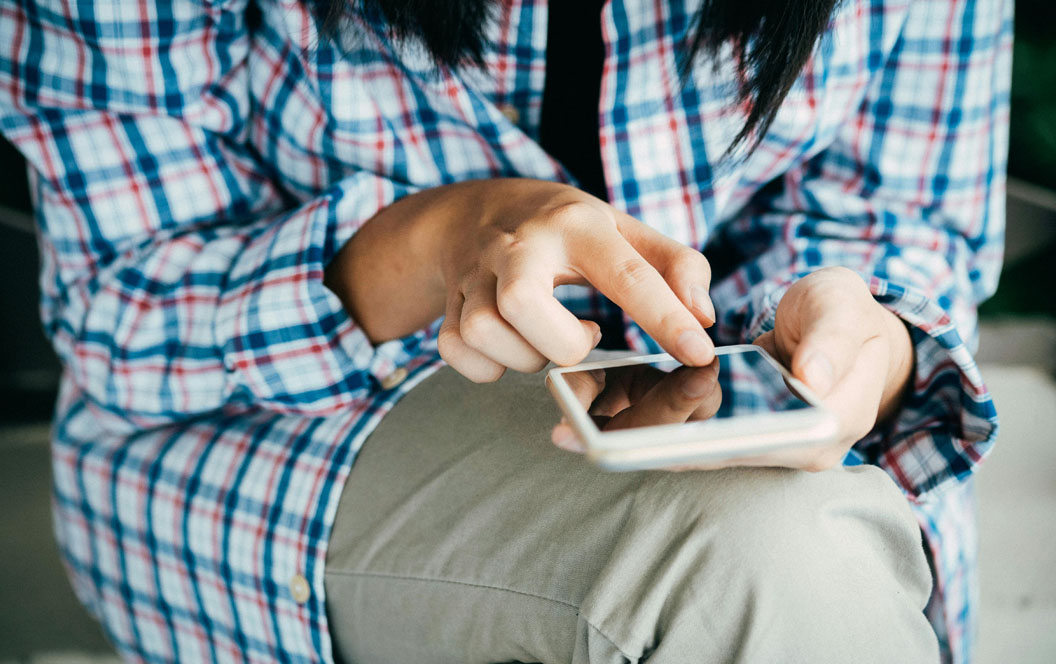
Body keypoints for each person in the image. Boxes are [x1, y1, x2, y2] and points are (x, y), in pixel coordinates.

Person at [0, 0, 1009, 661]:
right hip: (267, 424)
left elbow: (900, 219)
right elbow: (118, 302)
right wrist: (437, 243)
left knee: (789, 548)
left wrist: (872, 348)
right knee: (757, 559)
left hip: (709, 403)